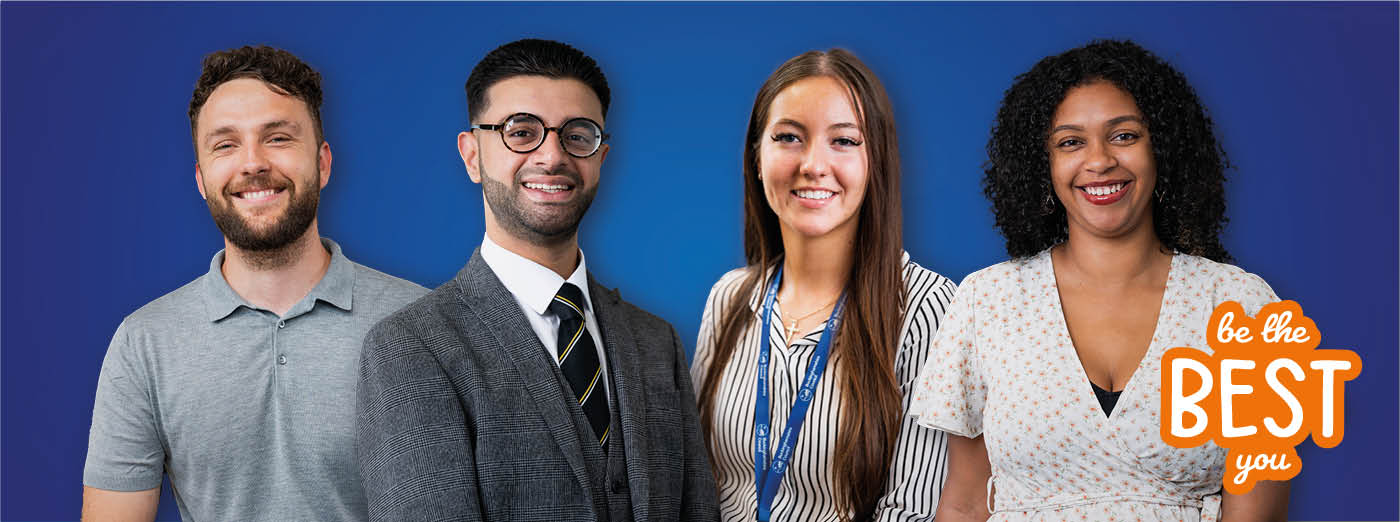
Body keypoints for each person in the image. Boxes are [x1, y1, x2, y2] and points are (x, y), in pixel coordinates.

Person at [911, 39, 1291, 520]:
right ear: (1041, 165)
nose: (1099, 161)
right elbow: (964, 504)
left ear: (1164, 149)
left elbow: (1258, 507)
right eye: (1071, 142)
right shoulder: (985, 302)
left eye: (1124, 136)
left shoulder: (1244, 305)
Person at [355, 39, 719, 522]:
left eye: (578, 135)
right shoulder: (410, 348)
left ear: (601, 158)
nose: (552, 156)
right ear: (471, 155)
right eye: (520, 131)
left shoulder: (657, 342)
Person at [81, 45, 427, 521]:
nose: (252, 163)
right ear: (202, 180)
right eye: (226, 144)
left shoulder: (423, 325)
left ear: (323, 164)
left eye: (278, 138)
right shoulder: (145, 343)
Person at [692, 49, 956, 522]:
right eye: (789, 137)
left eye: (844, 141)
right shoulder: (729, 298)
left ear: (876, 161)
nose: (813, 164)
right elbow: (697, 483)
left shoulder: (926, 308)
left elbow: (911, 511)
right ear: (757, 157)